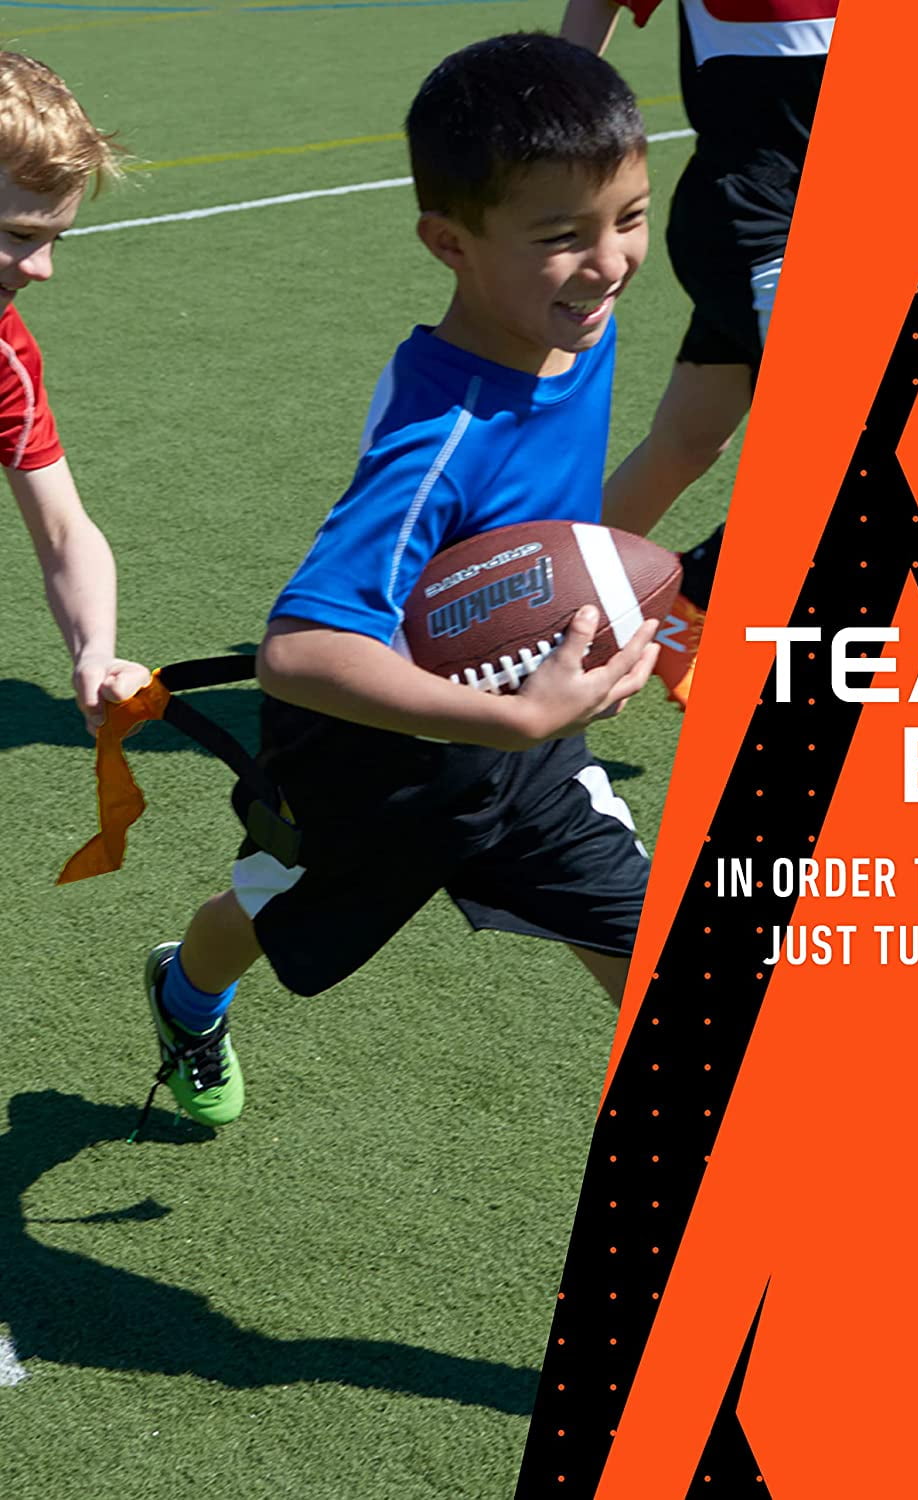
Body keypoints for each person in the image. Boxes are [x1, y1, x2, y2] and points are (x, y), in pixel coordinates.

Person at [139, 34, 660, 1130]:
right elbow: (301, 654)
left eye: (629, 216)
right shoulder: (441, 436)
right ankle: (186, 993)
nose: (609, 262)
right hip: (378, 770)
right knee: (264, 903)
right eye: (562, 237)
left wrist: (618, 617)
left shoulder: (575, 332)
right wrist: (501, 717)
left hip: (527, 753)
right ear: (449, 243)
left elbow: (543, 540)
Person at [561, 0, 837, 704]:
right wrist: (563, 118)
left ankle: (539, 607)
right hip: (761, 220)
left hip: (838, 214)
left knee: (686, 443)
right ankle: (696, 594)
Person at [0, 52, 150, 731]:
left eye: (56, 238)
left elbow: (63, 530)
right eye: (19, 236)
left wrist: (96, 652)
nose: (43, 268)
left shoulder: (6, 357)